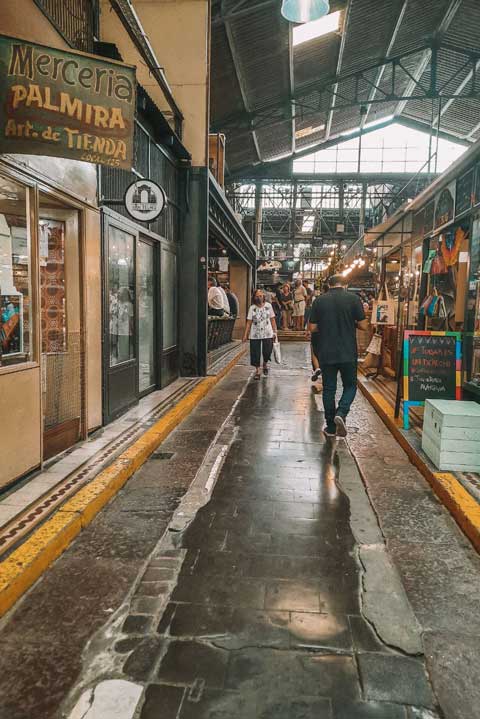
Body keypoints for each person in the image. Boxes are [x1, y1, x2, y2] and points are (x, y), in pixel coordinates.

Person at [309, 274, 368, 438]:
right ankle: (341, 413)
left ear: (329, 284)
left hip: (326, 351)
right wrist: (351, 322)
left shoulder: (319, 301)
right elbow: (364, 325)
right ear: (345, 285)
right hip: (348, 351)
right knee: (350, 385)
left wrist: (327, 325)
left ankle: (330, 427)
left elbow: (312, 327)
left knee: (329, 388)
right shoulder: (353, 299)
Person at [243, 288, 277, 380]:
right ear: (254, 297)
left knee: (267, 351)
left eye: (261, 296)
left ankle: (265, 363)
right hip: (255, 333)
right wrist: (245, 335)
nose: (259, 298)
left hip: (268, 333)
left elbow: (272, 319)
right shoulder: (252, 308)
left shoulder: (268, 306)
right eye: (257, 296)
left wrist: (275, 332)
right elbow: (249, 322)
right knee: (255, 352)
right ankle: (257, 370)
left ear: (264, 297)